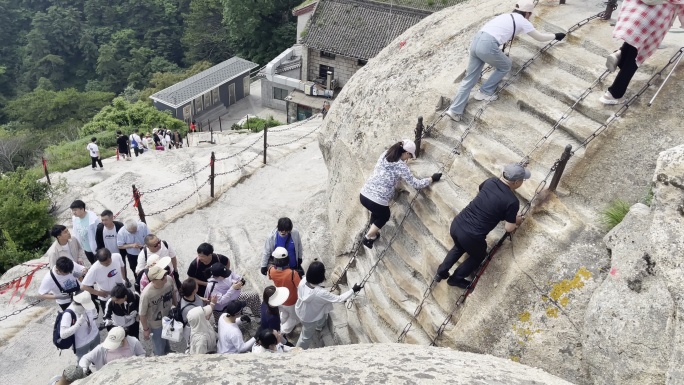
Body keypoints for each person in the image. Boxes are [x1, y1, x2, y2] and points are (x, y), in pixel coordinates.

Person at [444, 0, 566, 122]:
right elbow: (540, 37)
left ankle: (454, 111)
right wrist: (555, 36)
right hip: (487, 44)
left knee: (469, 79)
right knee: (506, 65)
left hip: (476, 40)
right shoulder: (523, 21)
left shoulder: (505, 16)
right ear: (528, 13)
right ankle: (485, 92)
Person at [435, 163, 529, 288]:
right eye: (523, 180)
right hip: (472, 235)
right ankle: (456, 279)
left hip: (457, 224)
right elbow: (508, 228)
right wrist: (515, 221)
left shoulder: (490, 182)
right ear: (516, 182)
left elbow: (483, 193)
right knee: (479, 255)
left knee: (459, 246)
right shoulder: (512, 201)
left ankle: (441, 271)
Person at [359, 140, 440, 248]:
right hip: (377, 200)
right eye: (410, 156)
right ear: (406, 153)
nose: (409, 159)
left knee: (377, 211)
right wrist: (431, 179)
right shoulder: (401, 166)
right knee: (385, 215)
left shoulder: (385, 154)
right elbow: (416, 184)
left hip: (364, 194)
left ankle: (373, 231)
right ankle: (368, 237)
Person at [600, 0, 684, 104]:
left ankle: (620, 54)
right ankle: (613, 94)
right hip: (653, 20)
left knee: (633, 43)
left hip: (635, 12)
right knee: (635, 59)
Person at [295, 261, 363, 349]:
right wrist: (353, 290)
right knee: (306, 336)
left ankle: (319, 327)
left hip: (301, 310)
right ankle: (298, 350)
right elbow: (339, 299)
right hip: (309, 318)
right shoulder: (320, 293)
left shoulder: (303, 281)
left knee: (321, 316)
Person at [139, 265, 177, 356]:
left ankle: (167, 351)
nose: (165, 278)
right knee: (158, 346)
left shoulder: (169, 280)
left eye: (164, 274)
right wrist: (146, 329)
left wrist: (176, 306)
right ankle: (159, 360)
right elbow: (142, 314)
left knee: (167, 337)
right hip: (155, 324)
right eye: (162, 277)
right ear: (154, 280)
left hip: (168, 317)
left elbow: (173, 292)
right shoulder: (146, 294)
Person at [79, 326, 145, 373]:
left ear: (123, 339)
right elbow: (85, 358)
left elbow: (142, 354)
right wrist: (83, 368)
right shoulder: (102, 348)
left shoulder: (134, 342)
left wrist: (137, 363)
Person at [81, 248, 126, 314]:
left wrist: (123, 278)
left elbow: (122, 266)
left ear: (111, 256)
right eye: (103, 264)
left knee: (123, 312)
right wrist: (98, 293)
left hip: (120, 291)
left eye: (108, 262)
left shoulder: (117, 256)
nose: (106, 265)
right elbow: (83, 286)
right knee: (108, 316)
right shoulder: (94, 269)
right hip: (106, 296)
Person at [267, 247, 301, 334]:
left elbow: (271, 277)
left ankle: (278, 325)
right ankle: (280, 332)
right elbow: (299, 287)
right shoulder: (292, 273)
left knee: (284, 314)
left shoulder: (271, 270)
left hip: (279, 299)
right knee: (294, 318)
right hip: (291, 301)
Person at [60, 291, 100, 362]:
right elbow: (63, 334)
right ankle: (86, 371)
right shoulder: (68, 314)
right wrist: (78, 324)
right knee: (82, 362)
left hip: (94, 335)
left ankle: (95, 363)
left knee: (97, 355)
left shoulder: (88, 302)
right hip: (81, 344)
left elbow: (94, 314)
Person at [95, 210, 128, 281]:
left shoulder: (119, 226)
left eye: (106, 220)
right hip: (107, 255)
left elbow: (125, 239)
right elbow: (98, 242)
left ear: (112, 218)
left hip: (119, 253)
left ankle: (125, 280)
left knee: (122, 267)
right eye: (102, 220)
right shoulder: (100, 228)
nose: (104, 222)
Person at [70, 200, 101, 265]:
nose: (73, 212)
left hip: (96, 248)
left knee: (100, 265)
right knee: (93, 264)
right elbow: (75, 232)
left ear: (82, 209)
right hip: (86, 248)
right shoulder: (75, 219)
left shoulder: (93, 219)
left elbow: (99, 233)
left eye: (75, 210)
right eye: (72, 210)